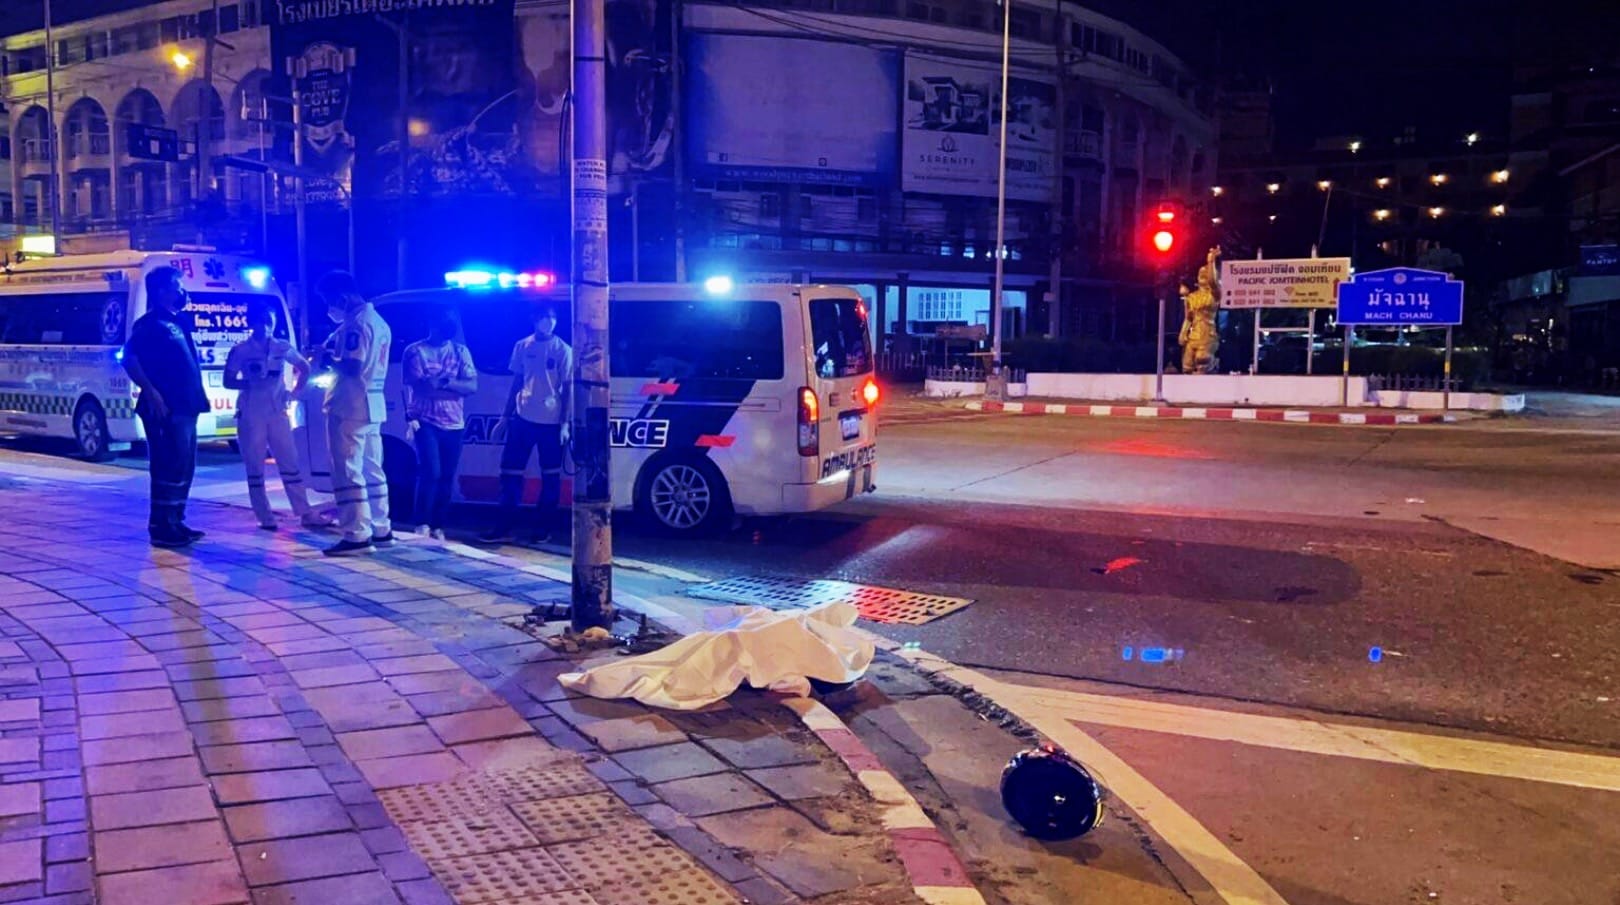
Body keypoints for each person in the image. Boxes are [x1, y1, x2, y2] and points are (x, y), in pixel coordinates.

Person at [223, 300, 333, 532]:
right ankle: (264, 516)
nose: (265, 326)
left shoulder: (281, 347)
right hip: (251, 412)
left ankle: (304, 512)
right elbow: (228, 380)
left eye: (269, 321)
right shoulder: (241, 350)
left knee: (290, 462)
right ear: (251, 323)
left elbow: (304, 366)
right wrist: (249, 382)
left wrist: (295, 393)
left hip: (277, 411)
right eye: (260, 321)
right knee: (255, 466)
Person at [122, 265, 210, 548]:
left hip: (187, 405)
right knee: (167, 464)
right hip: (165, 408)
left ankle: (176, 520)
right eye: (176, 286)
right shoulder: (148, 325)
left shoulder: (179, 322)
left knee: (185, 465)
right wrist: (152, 392)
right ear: (161, 291)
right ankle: (160, 526)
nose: (181, 291)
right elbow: (130, 360)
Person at [479, 301, 571, 545]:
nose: (548, 321)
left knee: (550, 477)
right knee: (510, 474)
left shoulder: (563, 349)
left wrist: (565, 422)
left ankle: (543, 529)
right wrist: (505, 416)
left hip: (551, 423)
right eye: (544, 316)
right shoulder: (523, 346)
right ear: (534, 319)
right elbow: (517, 382)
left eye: (552, 317)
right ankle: (504, 526)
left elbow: (569, 389)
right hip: (522, 418)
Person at [317, 271, 394, 556]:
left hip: (349, 404)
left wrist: (326, 359)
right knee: (373, 469)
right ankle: (381, 527)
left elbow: (351, 366)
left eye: (328, 299)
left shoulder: (356, 324)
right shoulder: (379, 322)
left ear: (343, 296)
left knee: (347, 470)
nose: (329, 306)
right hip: (372, 404)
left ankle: (356, 534)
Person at [403, 310, 478, 540]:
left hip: (455, 424)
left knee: (447, 475)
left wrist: (443, 382)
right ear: (431, 323)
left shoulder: (460, 351)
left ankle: (438, 525)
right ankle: (422, 522)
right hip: (425, 421)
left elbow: (472, 386)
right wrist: (456, 387)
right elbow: (421, 388)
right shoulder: (415, 351)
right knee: (430, 472)